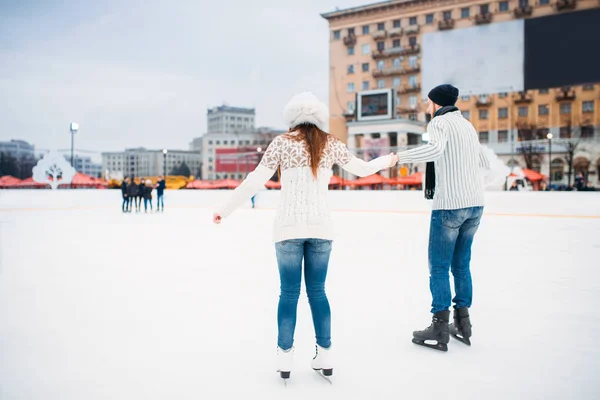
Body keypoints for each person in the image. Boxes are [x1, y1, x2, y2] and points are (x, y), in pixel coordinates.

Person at [212, 92, 398, 380]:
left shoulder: (281, 143)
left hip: (288, 229)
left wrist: (225, 209)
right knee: (317, 293)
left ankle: (284, 357)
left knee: (289, 293)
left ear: (293, 118)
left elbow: (254, 181)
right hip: (321, 229)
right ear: (319, 117)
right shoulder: (330, 143)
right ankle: (325, 354)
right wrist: (388, 160)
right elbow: (361, 169)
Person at [395, 84, 490, 352]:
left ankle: (439, 326)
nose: (427, 107)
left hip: (450, 205)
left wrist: (398, 157)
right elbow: (484, 161)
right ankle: (463, 323)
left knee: (438, 266)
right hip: (475, 205)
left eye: (428, 103)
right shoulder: (467, 126)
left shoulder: (439, 124)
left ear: (436, 103)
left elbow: (435, 150)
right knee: (461, 265)